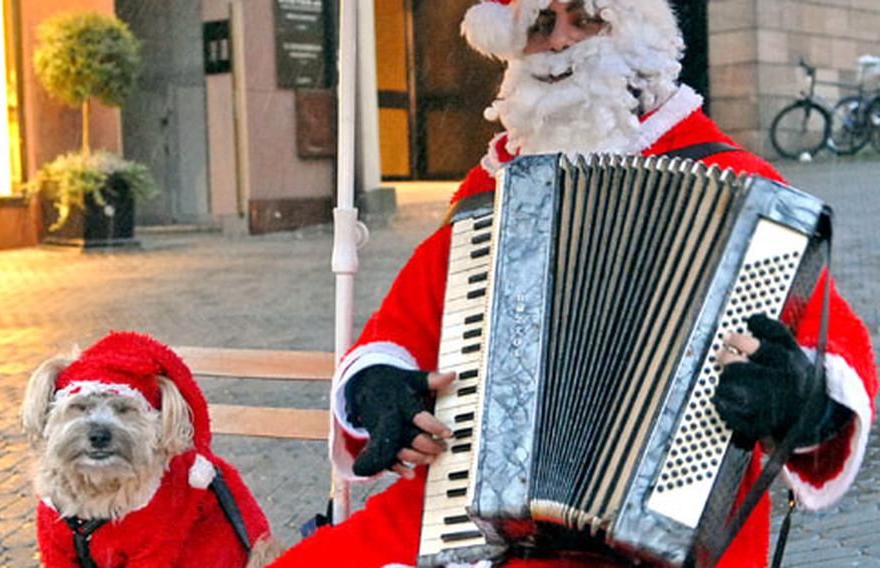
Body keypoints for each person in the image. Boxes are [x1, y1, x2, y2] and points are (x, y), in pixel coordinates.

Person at [273, 1, 877, 566]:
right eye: (539, 23)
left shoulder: (740, 191)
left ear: (638, 32)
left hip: (667, 535)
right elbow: (398, 332)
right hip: (469, 514)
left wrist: (805, 399)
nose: (558, 41)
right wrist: (381, 388)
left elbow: (838, 352)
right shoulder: (491, 193)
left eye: (584, 17)